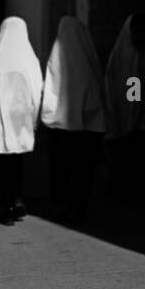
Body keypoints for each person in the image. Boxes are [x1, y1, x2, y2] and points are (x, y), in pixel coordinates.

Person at [0, 17, 43, 225]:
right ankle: (15, 202)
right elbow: (37, 91)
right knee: (17, 163)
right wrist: (34, 119)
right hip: (21, 120)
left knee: (4, 165)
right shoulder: (30, 60)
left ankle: (6, 206)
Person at [40, 15, 106, 223]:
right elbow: (96, 92)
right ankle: (79, 209)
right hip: (87, 128)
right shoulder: (88, 57)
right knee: (82, 173)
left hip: (61, 127)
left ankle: (61, 205)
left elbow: (50, 90)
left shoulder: (56, 58)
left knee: (61, 169)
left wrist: (49, 117)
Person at [103, 14, 145, 204]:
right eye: (137, 32)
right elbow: (131, 92)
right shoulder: (129, 56)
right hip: (128, 120)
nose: (141, 36)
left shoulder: (144, 53)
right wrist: (133, 113)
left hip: (139, 120)